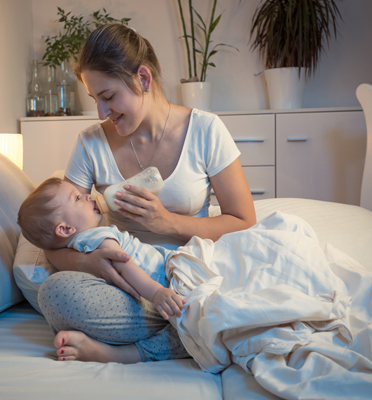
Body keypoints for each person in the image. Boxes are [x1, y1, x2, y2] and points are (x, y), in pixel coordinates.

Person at [37, 23, 256, 364]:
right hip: (127, 286)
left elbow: (244, 221)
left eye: (108, 97)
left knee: (234, 293)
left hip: (189, 277)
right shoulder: (90, 143)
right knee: (55, 294)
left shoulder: (205, 130)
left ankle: (133, 347)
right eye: (95, 100)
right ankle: (194, 330)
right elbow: (56, 243)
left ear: (142, 78)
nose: (101, 113)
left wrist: (169, 223)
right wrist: (90, 262)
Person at [17, 177, 186, 322]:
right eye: (77, 198)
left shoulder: (80, 245)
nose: (87, 195)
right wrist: (156, 292)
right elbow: (125, 265)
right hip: (167, 273)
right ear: (65, 229)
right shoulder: (96, 237)